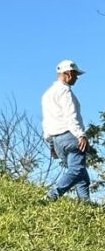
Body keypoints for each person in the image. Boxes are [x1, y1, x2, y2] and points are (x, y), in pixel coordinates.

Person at [42, 60, 91, 203]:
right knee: (76, 170)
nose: (77, 78)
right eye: (76, 75)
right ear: (68, 73)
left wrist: (51, 144)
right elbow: (71, 116)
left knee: (81, 174)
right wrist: (81, 135)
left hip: (57, 141)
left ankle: (85, 204)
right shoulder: (65, 91)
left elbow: (47, 120)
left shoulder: (47, 94)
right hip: (70, 136)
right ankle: (51, 197)